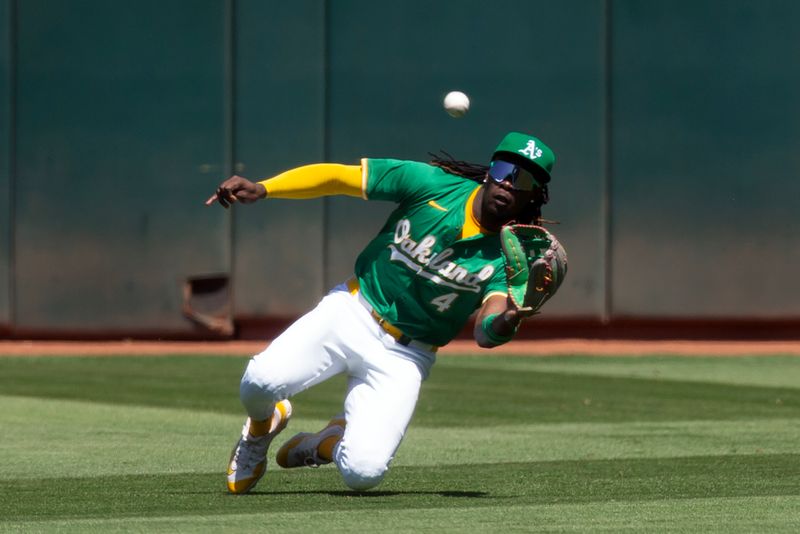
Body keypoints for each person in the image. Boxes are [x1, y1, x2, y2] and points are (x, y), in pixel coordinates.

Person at [206, 131, 564, 493]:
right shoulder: (433, 184)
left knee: (364, 474)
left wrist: (513, 316)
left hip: (408, 354)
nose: (509, 183)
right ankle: (261, 427)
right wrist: (265, 188)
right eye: (504, 169)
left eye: (525, 179)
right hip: (353, 311)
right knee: (259, 383)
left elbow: (486, 333)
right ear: (490, 170)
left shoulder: (512, 254)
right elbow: (338, 177)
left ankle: (328, 440)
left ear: (535, 194)